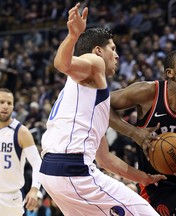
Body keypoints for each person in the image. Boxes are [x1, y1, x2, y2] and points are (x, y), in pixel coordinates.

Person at [39, 3, 165, 216]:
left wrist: (144, 177)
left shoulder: (90, 102)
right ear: (98, 50)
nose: (117, 56)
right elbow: (62, 64)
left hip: (52, 172)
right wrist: (73, 35)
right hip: (73, 170)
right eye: (113, 49)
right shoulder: (95, 63)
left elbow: (105, 159)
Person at [110, 49, 176, 215]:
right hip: (155, 184)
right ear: (170, 73)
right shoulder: (147, 92)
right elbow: (101, 104)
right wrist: (133, 132)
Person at [0, 88, 42, 215]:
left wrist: (34, 189)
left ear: (13, 106)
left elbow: (37, 163)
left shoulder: (21, 132)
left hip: (10, 198)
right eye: (1, 102)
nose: (5, 106)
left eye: (9, 103)